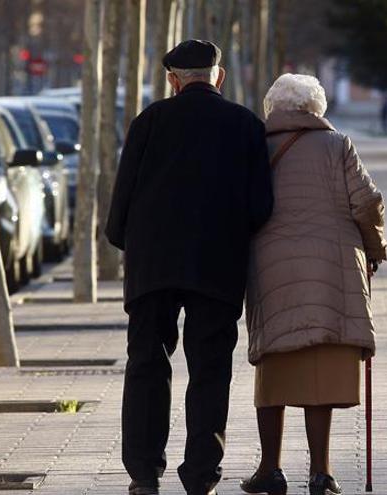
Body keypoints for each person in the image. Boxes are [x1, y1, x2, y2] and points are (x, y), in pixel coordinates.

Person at [105, 40, 274, 495]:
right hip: (217, 266)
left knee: (146, 364)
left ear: (173, 80)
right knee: (211, 369)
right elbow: (261, 206)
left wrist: (129, 242)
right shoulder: (245, 125)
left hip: (152, 265)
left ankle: (143, 474)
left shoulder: (149, 121)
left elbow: (119, 208)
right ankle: (201, 477)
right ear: (218, 77)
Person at [240, 74, 387, 495]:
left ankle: (270, 469)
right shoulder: (339, 145)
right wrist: (375, 247)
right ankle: (321, 472)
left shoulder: (254, 147)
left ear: (274, 107)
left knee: (274, 366)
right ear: (317, 108)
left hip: (271, 266)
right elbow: (367, 201)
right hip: (332, 267)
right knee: (319, 370)